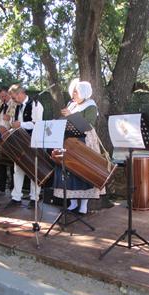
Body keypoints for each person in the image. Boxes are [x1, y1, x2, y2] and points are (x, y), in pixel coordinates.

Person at [53, 79, 104, 214]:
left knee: (83, 171)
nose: (73, 94)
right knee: (69, 172)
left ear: (83, 92)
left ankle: (84, 205)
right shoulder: (72, 105)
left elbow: (89, 124)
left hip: (84, 141)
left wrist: (71, 115)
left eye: (76, 92)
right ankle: (73, 202)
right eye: (73, 91)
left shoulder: (91, 106)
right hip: (70, 141)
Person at [4, 84, 44, 209]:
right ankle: (16, 197)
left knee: (33, 169)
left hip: (33, 140)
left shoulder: (36, 104)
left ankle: (34, 198)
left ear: (20, 93)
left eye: (14, 97)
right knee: (18, 169)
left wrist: (20, 124)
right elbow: (15, 123)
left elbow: (37, 124)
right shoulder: (17, 106)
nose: (13, 100)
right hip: (19, 141)